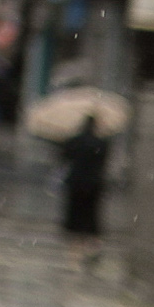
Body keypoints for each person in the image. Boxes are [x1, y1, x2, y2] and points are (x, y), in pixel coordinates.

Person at [58, 114, 114, 267]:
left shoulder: (74, 141)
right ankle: (92, 245)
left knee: (76, 214)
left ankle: (75, 252)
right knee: (91, 215)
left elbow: (64, 157)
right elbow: (104, 161)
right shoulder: (102, 143)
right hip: (94, 184)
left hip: (76, 183)